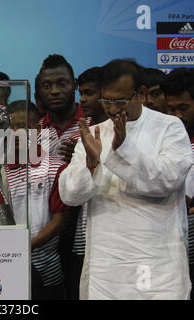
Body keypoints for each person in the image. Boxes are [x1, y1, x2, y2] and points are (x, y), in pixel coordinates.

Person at [59, 59, 193, 300]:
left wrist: (125, 149)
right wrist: (92, 162)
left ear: (140, 94)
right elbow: (70, 195)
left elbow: (166, 181)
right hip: (107, 265)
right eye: (107, 100)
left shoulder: (169, 128)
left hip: (157, 262)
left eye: (120, 101)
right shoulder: (95, 134)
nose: (112, 109)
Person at [35, 54, 87, 297]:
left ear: (74, 85)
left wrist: (82, 160)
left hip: (84, 224)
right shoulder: (34, 131)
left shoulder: (94, 124)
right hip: (48, 224)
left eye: (61, 83)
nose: (54, 91)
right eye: (47, 86)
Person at [6, 100, 68, 300]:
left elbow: (60, 221)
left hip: (46, 269)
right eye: (10, 127)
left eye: (22, 126)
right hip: (7, 267)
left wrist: (27, 246)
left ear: (37, 129)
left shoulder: (55, 167)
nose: (16, 132)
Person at [65, 66, 108, 300]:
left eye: (89, 92)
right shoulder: (79, 136)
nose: (83, 99)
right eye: (81, 92)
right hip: (83, 237)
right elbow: (71, 192)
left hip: (113, 240)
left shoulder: (123, 135)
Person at [161, 67, 194, 300]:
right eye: (171, 109)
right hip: (173, 248)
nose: (177, 116)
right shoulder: (162, 139)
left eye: (183, 108)